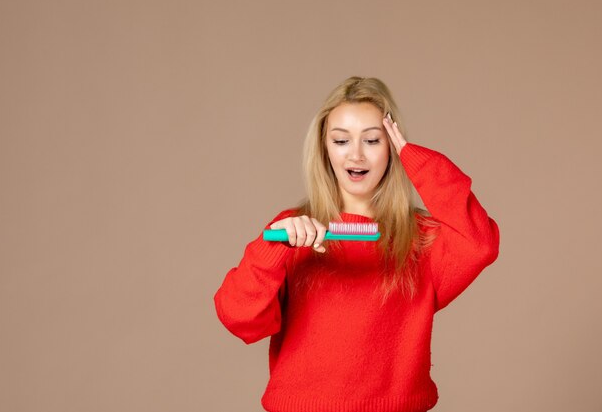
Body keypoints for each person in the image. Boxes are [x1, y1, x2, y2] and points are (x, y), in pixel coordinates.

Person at [214, 76, 500, 412]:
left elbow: (481, 242)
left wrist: (414, 157)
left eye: (372, 140)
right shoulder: (293, 232)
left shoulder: (421, 239)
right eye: (341, 140)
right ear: (324, 148)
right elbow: (239, 319)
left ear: (391, 147)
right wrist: (270, 249)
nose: (356, 155)